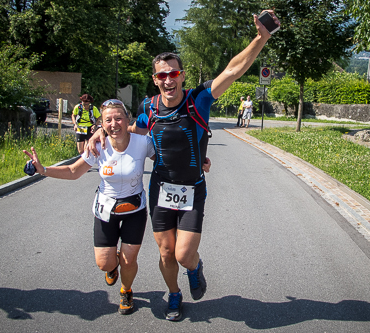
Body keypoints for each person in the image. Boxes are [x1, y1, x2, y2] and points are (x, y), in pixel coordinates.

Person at [88, 9, 279, 321]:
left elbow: (232, 71)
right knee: (165, 252)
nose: (168, 80)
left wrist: (261, 38)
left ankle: (195, 266)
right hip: (160, 189)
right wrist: (99, 129)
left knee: (183, 254)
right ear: (155, 80)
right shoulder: (148, 108)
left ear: (182, 75)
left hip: (193, 190)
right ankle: (174, 295)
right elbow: (124, 128)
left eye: (173, 74)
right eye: (161, 75)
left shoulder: (197, 100)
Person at [24, 99, 155, 315]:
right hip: (105, 209)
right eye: (108, 120)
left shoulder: (143, 142)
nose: (114, 124)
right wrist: (43, 169)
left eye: (119, 118)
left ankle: (126, 290)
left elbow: (167, 160)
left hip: (134, 209)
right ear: (102, 124)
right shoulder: (97, 146)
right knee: (104, 263)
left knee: (129, 259)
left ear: (127, 119)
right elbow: (74, 171)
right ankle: (111, 268)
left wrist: (198, 162)